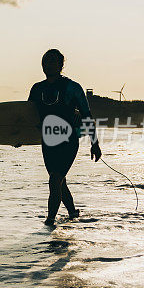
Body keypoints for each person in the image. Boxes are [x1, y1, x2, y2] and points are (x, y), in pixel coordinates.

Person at [28, 49, 101, 227]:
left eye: (53, 61)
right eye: (45, 61)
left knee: (54, 179)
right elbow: (28, 116)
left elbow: (87, 115)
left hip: (68, 141)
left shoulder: (72, 87)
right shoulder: (37, 89)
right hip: (48, 141)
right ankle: (72, 213)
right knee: (59, 181)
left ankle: (50, 222)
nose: (48, 64)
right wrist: (17, 137)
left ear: (61, 65)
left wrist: (95, 143)